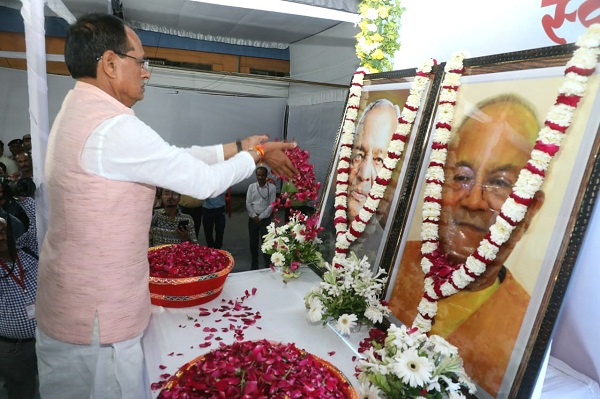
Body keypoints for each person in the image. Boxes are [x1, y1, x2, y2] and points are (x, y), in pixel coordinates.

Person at [35, 13, 296, 399]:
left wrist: (240, 147)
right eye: (140, 61)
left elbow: (174, 157)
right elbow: (202, 182)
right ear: (109, 63)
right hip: (97, 319)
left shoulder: (82, 111)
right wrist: (257, 155)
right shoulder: (114, 128)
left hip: (74, 302)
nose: (147, 73)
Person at [388, 94, 545, 397]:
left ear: (531, 209)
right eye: (461, 177)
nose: (473, 200)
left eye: (500, 182)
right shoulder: (396, 263)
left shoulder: (526, 327)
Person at [319, 99, 400, 265]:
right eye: (359, 155)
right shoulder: (326, 220)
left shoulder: (387, 243)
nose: (364, 174)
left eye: (379, 159)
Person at [0, 196, 39, 399]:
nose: (1, 237)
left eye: (2, 231)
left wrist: (21, 197)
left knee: (58, 388)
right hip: (14, 350)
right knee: (21, 394)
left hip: (47, 340)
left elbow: (39, 221)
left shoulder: (27, 248)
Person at [246, 166, 276, 270]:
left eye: (262, 175)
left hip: (265, 219)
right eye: (258, 175)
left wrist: (261, 216)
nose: (260, 177)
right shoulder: (251, 187)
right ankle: (254, 264)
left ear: (266, 175)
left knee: (266, 243)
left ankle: (268, 265)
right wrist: (254, 216)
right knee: (253, 243)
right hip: (253, 219)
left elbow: (272, 204)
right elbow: (248, 203)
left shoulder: (271, 188)